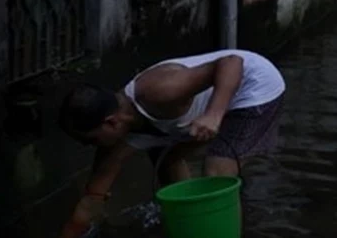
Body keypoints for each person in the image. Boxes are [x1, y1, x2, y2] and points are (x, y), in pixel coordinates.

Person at [56, 49, 286, 238]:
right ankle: (190, 225)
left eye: (90, 140)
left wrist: (214, 114)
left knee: (217, 171)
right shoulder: (118, 135)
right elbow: (91, 201)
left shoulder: (159, 91)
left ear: (111, 122)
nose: (90, 147)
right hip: (216, 97)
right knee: (166, 160)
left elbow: (231, 62)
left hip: (254, 86)